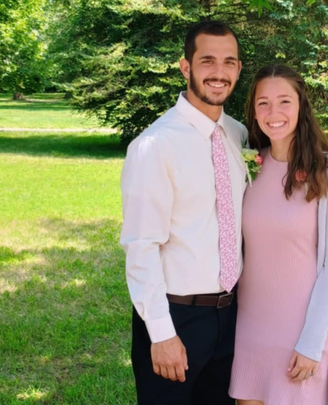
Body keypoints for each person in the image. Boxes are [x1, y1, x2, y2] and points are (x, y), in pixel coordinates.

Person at [120, 21, 247, 405]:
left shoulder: (237, 134)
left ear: (238, 69)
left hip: (232, 314)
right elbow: (141, 245)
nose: (219, 72)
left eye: (229, 62)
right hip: (177, 316)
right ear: (185, 66)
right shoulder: (155, 145)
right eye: (207, 61)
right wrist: (161, 333)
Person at [229, 65, 328, 405]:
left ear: (301, 106)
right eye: (263, 103)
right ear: (254, 112)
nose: (274, 113)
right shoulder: (248, 165)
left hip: (301, 333)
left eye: (284, 101)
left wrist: (311, 342)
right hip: (249, 328)